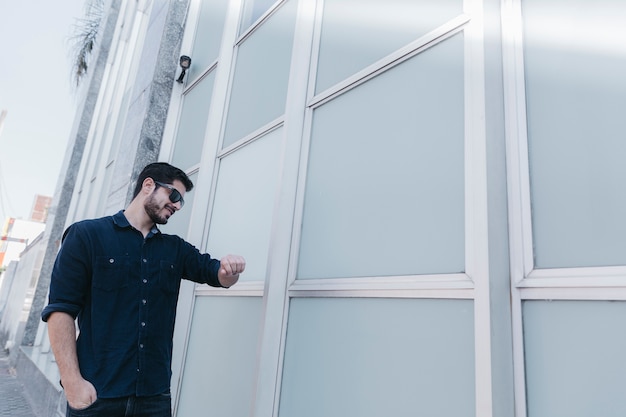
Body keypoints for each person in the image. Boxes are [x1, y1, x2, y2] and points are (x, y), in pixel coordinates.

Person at [41, 162, 245, 417]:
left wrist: (230, 271)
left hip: (154, 398)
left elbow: (218, 274)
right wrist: (71, 381)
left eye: (182, 202)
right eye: (174, 195)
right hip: (97, 393)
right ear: (148, 185)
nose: (177, 206)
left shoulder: (175, 249)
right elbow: (61, 310)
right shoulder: (87, 235)